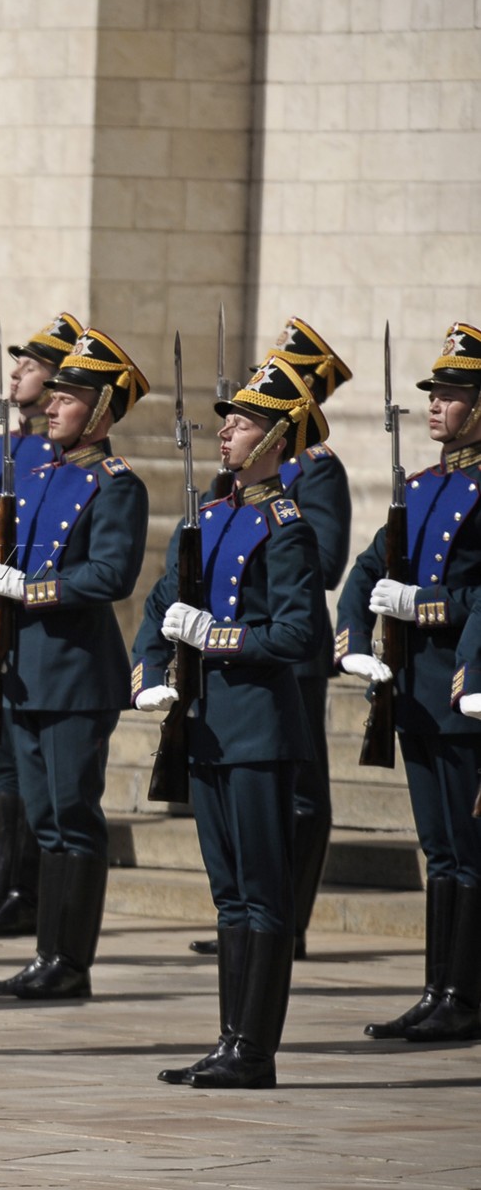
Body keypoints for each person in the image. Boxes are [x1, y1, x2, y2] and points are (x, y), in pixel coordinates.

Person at [134, 358, 326, 1089]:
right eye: (226, 421)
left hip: (256, 731)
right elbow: (158, 607)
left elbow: (295, 635)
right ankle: (227, 1040)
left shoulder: (286, 528)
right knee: (228, 895)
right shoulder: (208, 517)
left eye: (241, 423)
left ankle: (254, 1050)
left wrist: (212, 636)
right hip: (207, 726)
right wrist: (151, 671)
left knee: (262, 892)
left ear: (276, 439)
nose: (225, 433)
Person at [0, 328, 150, 1001]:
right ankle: (45, 953)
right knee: (43, 817)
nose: (50, 407)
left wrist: (31, 590)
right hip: (21, 667)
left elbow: (110, 574)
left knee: (71, 815)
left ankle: (68, 963)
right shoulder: (40, 476)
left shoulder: (115, 484)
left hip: (75, 673)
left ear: (100, 411)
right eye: (51, 397)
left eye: (68, 399)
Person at [187, 318, 352, 961]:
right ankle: (259, 921)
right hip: (236, 658)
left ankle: (289, 917)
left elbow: (326, 561)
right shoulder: (233, 492)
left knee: (303, 797)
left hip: (289, 656)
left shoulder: (315, 474)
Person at [339, 321, 481, 1044]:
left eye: (451, 396)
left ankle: (465, 992)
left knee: (467, 847)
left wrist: (420, 607)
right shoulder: (420, 485)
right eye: (433, 395)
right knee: (438, 848)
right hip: (413, 689)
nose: (435, 407)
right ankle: (437, 988)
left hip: (462, 690)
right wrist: (355, 637)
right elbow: (365, 569)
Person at [0, 313, 76, 936]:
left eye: (28, 367)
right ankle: (3, 885)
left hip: (21, 614)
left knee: (23, 765)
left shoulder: (58, 454)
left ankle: (23, 891)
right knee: (1, 759)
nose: (16, 376)